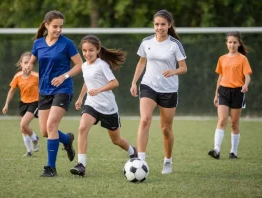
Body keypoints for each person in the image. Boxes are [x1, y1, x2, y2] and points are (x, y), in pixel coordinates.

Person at [26, 10, 83, 177]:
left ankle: (50, 168)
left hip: (63, 89)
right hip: (44, 91)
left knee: (51, 126)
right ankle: (66, 140)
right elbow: (32, 61)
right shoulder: (38, 43)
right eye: (55, 26)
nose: (58, 30)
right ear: (46, 25)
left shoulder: (67, 44)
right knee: (44, 131)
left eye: (61, 27)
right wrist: (29, 66)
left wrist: (64, 76)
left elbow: (80, 65)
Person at [69, 35, 137, 176]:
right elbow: (87, 82)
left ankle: (132, 151)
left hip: (108, 107)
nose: (87, 54)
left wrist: (99, 90)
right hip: (91, 104)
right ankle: (81, 165)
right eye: (84, 51)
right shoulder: (84, 65)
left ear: (98, 50)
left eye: (91, 50)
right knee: (82, 128)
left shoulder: (102, 65)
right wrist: (81, 98)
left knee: (116, 140)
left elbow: (115, 83)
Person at [130, 10, 188, 174]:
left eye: (163, 24)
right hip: (148, 85)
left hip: (169, 90)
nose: (159, 27)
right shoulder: (146, 42)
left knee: (165, 129)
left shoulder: (174, 44)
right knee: (145, 120)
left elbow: (183, 68)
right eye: (157, 24)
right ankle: (141, 161)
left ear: (169, 25)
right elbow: (141, 62)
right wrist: (134, 82)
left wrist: (173, 71)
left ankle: (168, 161)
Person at [208, 31, 252, 160]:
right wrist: (216, 94)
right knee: (222, 120)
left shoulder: (243, 59)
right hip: (223, 91)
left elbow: (247, 76)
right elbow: (220, 76)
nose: (232, 45)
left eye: (234, 42)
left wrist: (245, 85)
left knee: (234, 123)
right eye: (230, 42)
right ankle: (216, 149)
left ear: (239, 43)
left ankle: (233, 152)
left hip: (237, 92)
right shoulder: (222, 59)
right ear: (226, 43)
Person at [2, 51, 39, 157]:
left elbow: (45, 88)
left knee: (23, 124)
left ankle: (35, 139)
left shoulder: (37, 76)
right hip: (23, 103)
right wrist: (6, 104)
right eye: (26, 62)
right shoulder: (17, 76)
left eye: (30, 63)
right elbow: (11, 91)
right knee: (23, 129)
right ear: (21, 64)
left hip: (35, 103)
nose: (28, 65)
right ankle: (29, 151)